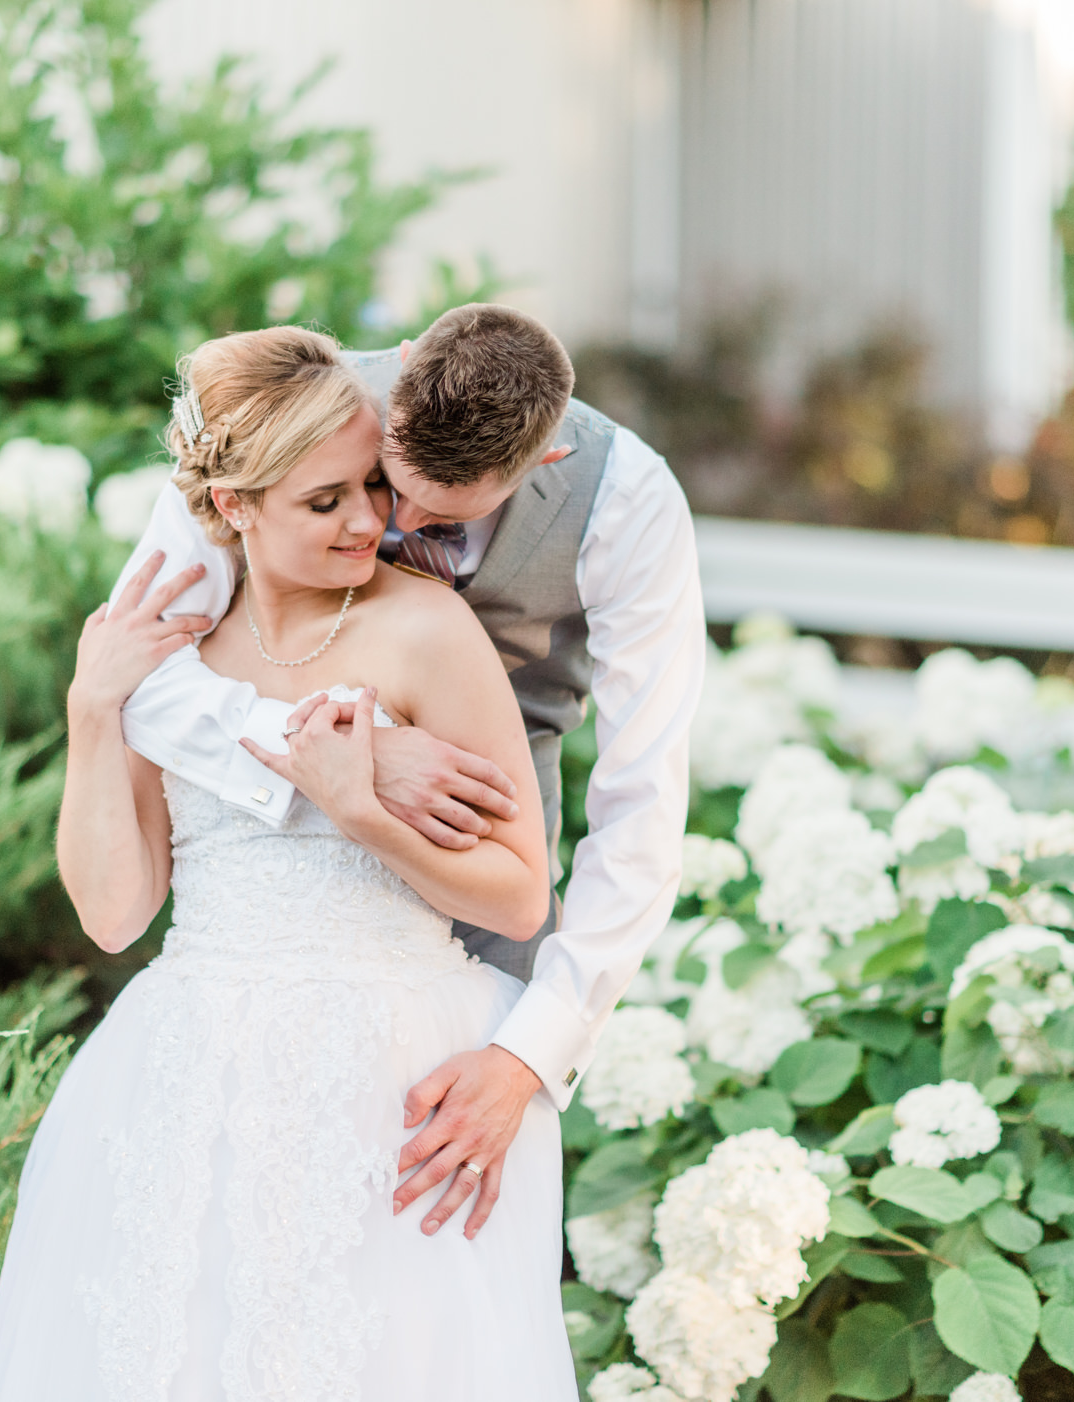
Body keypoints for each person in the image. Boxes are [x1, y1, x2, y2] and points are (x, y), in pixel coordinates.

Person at [0, 325, 582, 1399]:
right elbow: (116, 912)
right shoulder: (171, 659)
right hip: (190, 1076)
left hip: (386, 1084)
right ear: (232, 507)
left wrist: (361, 809)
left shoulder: (426, 630)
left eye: (368, 487)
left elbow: (520, 892)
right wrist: (91, 706)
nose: (369, 522)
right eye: (324, 502)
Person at [116, 304, 705, 1239]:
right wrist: (357, 753)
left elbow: (642, 804)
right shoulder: (285, 411)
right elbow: (138, 677)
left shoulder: (629, 501)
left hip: (491, 866)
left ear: (542, 460)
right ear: (387, 401)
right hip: (287, 896)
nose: (394, 528)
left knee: (440, 1238)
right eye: (392, 485)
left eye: (448, 513)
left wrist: (529, 1054)